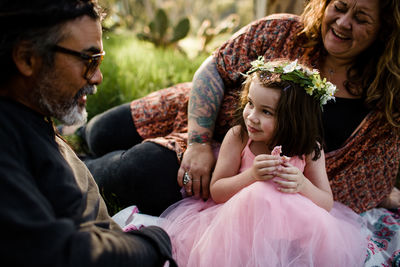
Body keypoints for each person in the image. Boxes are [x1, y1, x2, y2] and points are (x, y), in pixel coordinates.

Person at [82, 0, 399, 217]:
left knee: (140, 171)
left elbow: (364, 180)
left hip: (237, 165)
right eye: (339, 8)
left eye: (361, 18)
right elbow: (214, 69)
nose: (343, 23)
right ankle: (84, 140)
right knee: (100, 132)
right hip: (203, 118)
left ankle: (68, 165)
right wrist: (198, 142)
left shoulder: (384, 103)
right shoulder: (285, 32)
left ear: (385, 29)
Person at [0, 1, 176, 266]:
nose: (98, 78)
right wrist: (152, 242)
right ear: (27, 58)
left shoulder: (29, 116)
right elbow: (59, 254)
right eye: (89, 60)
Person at [159, 58, 367, 266]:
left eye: (266, 111)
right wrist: (251, 176)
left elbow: (326, 203)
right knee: (259, 194)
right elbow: (217, 191)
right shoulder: (239, 137)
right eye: (250, 103)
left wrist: (302, 185)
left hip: (290, 233)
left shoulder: (309, 149)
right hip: (238, 228)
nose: (251, 117)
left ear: (294, 118)